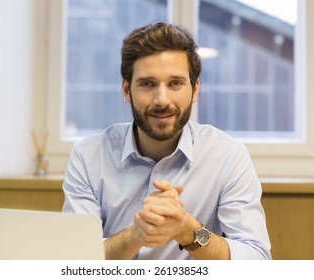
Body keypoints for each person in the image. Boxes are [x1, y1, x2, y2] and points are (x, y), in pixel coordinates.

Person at [62, 22, 271, 260]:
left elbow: (257, 260)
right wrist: (136, 235)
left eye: (175, 83)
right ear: (126, 90)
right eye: (147, 84)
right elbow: (75, 259)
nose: (162, 100)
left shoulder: (228, 156)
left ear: (194, 89)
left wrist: (188, 231)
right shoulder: (87, 156)